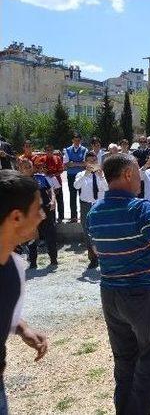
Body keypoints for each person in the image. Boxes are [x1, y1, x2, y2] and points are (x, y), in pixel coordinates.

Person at [87, 154, 150, 415]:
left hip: (110, 294)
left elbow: (98, 249)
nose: (141, 176)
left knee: (124, 360)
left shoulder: (95, 211)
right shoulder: (140, 207)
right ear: (128, 174)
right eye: (137, 170)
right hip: (142, 294)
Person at [0, 170, 49, 415]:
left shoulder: (11, 266)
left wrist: (20, 326)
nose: (43, 215)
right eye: (38, 208)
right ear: (17, 217)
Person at [17, 159, 58, 269]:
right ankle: (33, 262)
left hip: (46, 210)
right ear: (20, 169)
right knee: (31, 238)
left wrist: (53, 200)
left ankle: (53, 259)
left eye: (29, 166)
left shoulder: (41, 177)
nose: (28, 169)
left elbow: (50, 189)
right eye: (25, 167)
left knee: (50, 236)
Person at [73, 151, 108, 269]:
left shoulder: (102, 174)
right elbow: (76, 186)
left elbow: (107, 188)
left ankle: (104, 257)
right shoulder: (80, 174)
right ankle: (93, 258)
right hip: (86, 205)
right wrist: (86, 174)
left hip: (100, 205)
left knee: (102, 231)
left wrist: (101, 176)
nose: (92, 163)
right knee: (87, 231)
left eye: (94, 161)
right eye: (90, 161)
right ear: (85, 162)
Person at [63, 132, 88, 223]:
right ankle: (73, 216)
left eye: (78, 140)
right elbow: (66, 165)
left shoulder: (84, 150)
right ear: (72, 140)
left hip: (81, 176)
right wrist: (79, 164)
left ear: (80, 140)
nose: (77, 142)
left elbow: (85, 163)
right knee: (72, 196)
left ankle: (83, 216)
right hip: (71, 176)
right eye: (75, 140)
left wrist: (73, 164)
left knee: (82, 196)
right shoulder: (67, 150)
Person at [42, 145, 65, 223]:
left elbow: (62, 170)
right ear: (45, 151)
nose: (49, 152)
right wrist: (46, 173)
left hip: (57, 183)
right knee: (51, 201)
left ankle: (61, 217)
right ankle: (53, 218)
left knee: (60, 200)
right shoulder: (42, 159)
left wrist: (54, 174)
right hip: (48, 184)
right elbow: (41, 171)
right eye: (47, 150)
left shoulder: (57, 158)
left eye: (51, 150)